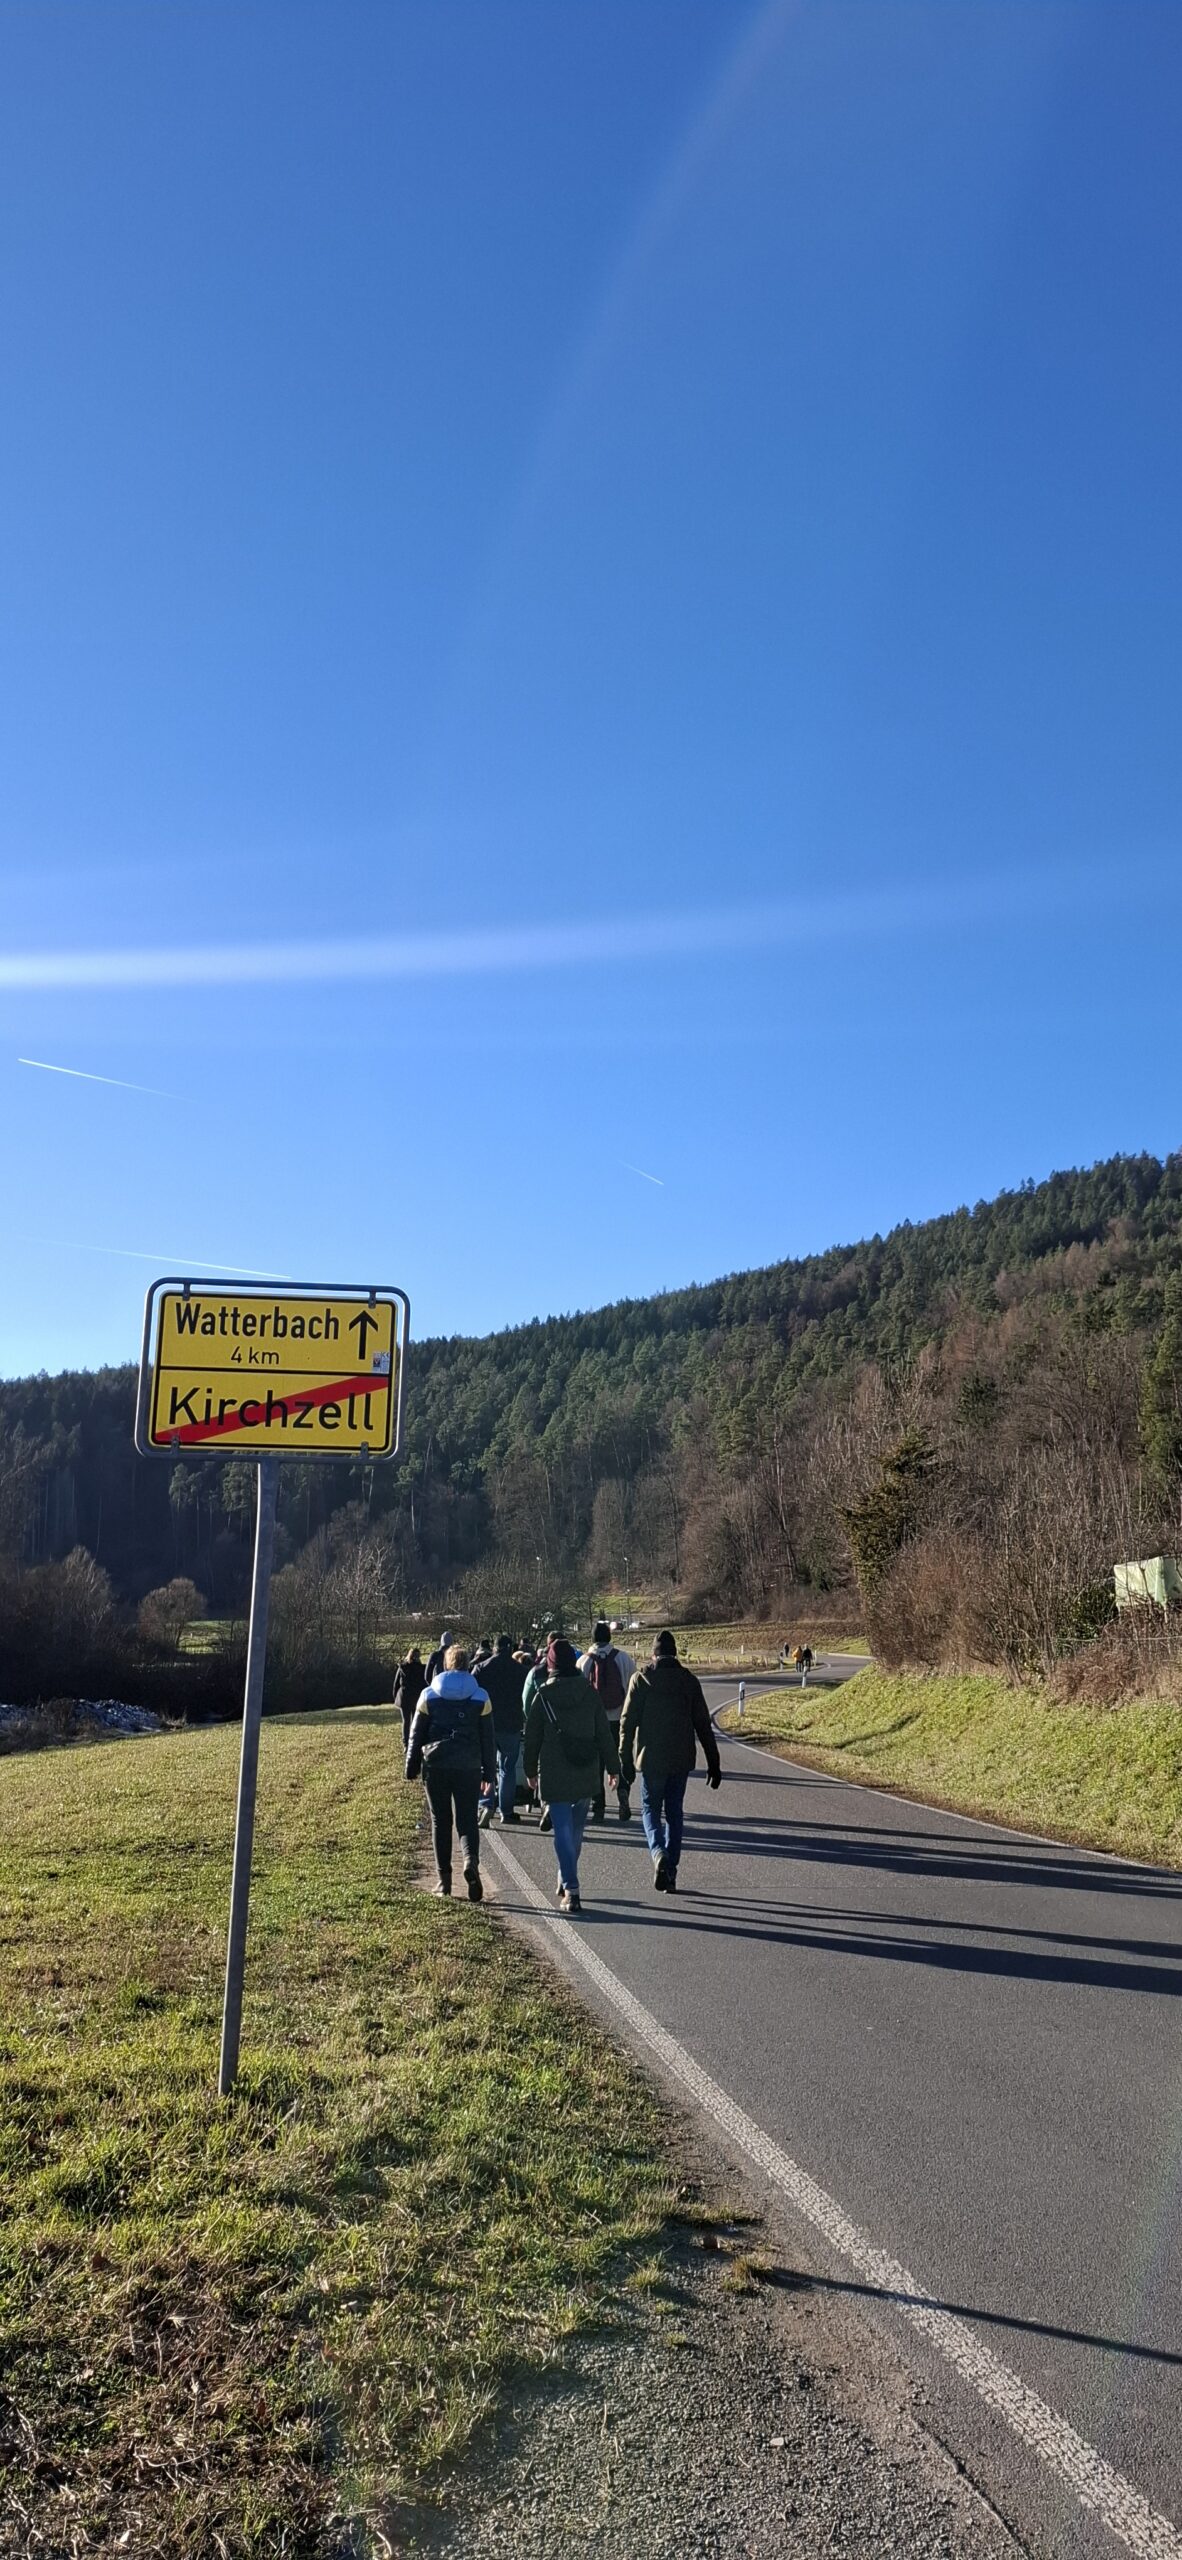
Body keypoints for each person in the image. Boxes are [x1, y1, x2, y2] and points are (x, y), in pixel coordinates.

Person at [619, 1629, 721, 1895]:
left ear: (653, 1654)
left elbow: (627, 1723)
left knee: (650, 1809)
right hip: (680, 1759)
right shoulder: (689, 1681)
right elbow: (703, 1725)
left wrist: (624, 1759)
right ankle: (671, 1872)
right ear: (675, 1654)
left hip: (651, 1758)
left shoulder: (641, 1680)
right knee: (675, 1812)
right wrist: (714, 1762)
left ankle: (658, 1852)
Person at [523, 1636, 618, 1913]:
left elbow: (532, 1737)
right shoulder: (590, 1693)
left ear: (550, 1664)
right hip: (585, 1768)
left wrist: (530, 1770)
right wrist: (614, 1768)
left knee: (562, 1832)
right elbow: (604, 1734)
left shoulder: (543, 1696)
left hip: (554, 1772)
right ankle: (566, 1876)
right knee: (575, 1832)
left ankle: (571, 1888)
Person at [405, 1643, 496, 1900]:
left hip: (436, 1765)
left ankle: (444, 1881)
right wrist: (489, 1774)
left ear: (446, 1664)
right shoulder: (481, 1696)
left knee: (440, 1821)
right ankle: (470, 1861)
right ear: (467, 1665)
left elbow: (416, 1734)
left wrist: (411, 1766)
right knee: (467, 1820)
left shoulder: (429, 1694)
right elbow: (488, 1739)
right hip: (469, 1766)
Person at [578, 1620, 636, 1822]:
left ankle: (599, 1807)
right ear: (610, 1637)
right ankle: (623, 1792)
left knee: (596, 1765)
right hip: (619, 1720)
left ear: (592, 1638)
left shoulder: (583, 1662)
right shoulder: (624, 1659)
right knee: (619, 1759)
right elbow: (632, 1689)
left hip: (593, 1722)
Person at [475, 1633, 528, 1825]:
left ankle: (486, 1804)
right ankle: (506, 1810)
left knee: (485, 1766)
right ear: (511, 1648)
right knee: (508, 1768)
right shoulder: (520, 1670)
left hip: (486, 1723)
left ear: (494, 1648)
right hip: (511, 1723)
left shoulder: (481, 1668)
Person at [392, 1643, 426, 1751]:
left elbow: (396, 1684)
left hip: (404, 1697)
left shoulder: (402, 1668)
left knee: (406, 1722)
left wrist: (395, 1697)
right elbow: (424, 1684)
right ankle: (414, 1742)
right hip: (416, 1697)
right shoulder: (421, 1669)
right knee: (415, 1721)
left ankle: (406, 1744)